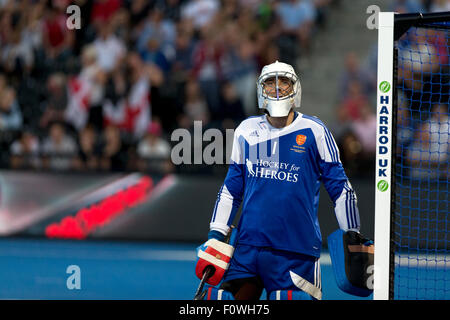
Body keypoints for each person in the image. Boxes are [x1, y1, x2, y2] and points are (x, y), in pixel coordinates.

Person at [195, 61, 362, 300]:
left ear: (295, 89)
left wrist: (352, 233)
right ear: (260, 90)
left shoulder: (315, 130)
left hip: (296, 251)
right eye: (269, 83)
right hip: (247, 247)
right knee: (224, 300)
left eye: (283, 82)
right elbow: (231, 190)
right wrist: (216, 235)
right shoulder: (245, 130)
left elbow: (341, 188)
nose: (276, 88)